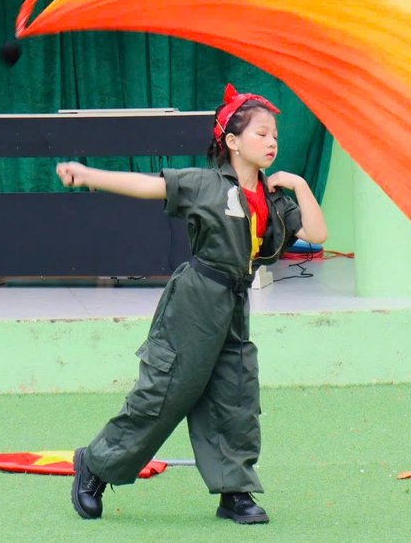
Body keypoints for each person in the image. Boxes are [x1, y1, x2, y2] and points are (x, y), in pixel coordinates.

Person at [57, 84, 327, 525]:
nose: (272, 142)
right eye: (261, 134)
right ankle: (96, 465)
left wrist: (299, 184)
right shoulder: (205, 184)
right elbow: (148, 186)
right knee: (164, 395)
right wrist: (89, 175)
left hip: (235, 302)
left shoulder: (274, 198)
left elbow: (316, 234)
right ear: (232, 141)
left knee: (235, 396)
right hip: (196, 300)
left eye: (275, 135)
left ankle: (234, 492)